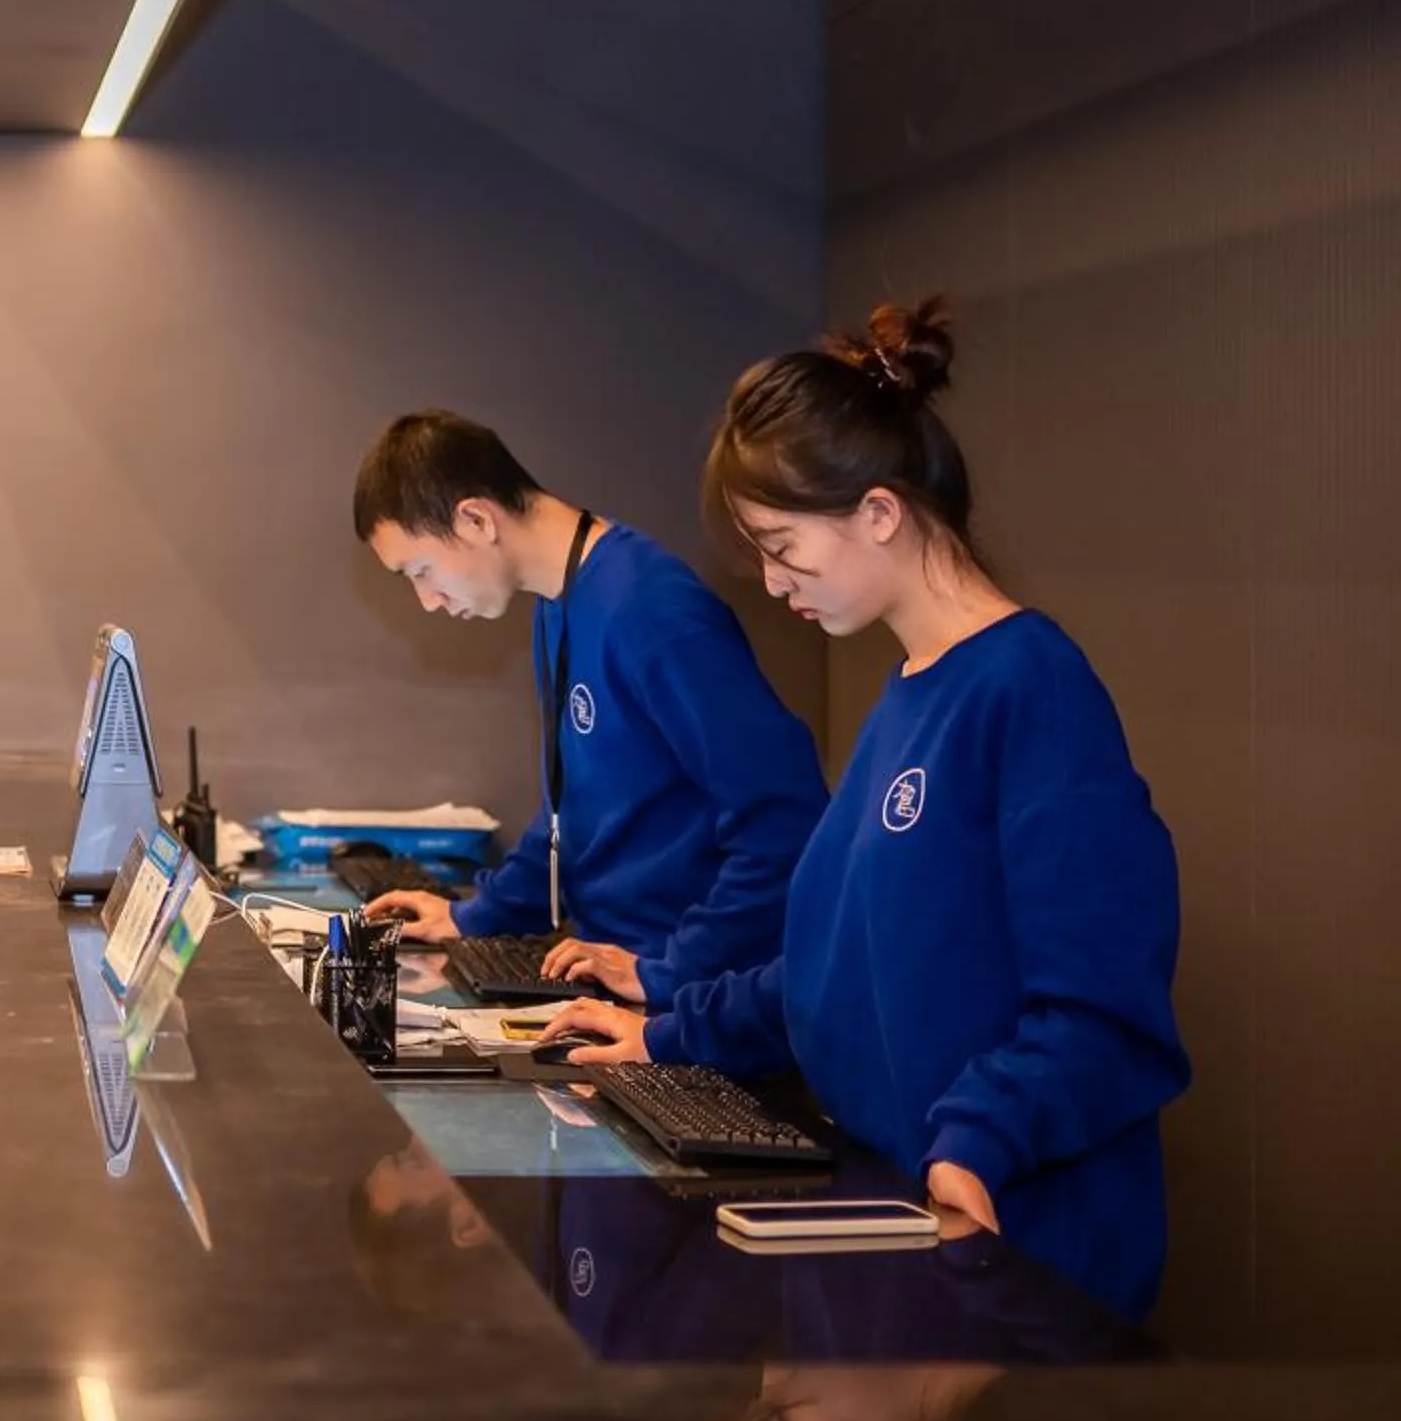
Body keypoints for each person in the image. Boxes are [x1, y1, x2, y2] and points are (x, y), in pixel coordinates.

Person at [550, 300, 1192, 1322]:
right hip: (896, 1234)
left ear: (880, 512)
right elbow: (838, 966)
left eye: (783, 546)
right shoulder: (912, 685)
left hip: (1018, 1268)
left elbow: (1103, 1016)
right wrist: (669, 1032)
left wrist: (978, 1140)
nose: (771, 581)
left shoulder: (1032, 689)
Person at [350, 411, 828, 1008]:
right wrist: (475, 914)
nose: (428, 600)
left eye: (421, 571)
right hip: (620, 981)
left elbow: (785, 821)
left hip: (694, 1000)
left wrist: (673, 968)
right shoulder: (560, 602)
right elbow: (570, 807)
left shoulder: (652, 608)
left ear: (475, 519)